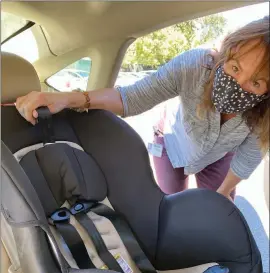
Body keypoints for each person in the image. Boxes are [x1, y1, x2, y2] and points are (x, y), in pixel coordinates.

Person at [16, 16, 269, 201]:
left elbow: (249, 156)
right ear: (226, 54)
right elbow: (131, 98)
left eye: (256, 82)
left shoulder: (265, 113)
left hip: (218, 156)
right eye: (235, 68)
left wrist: (224, 192)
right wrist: (68, 98)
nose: (240, 85)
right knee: (172, 203)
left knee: (217, 207)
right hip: (172, 144)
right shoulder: (194, 66)